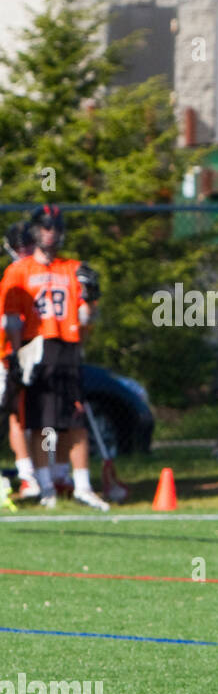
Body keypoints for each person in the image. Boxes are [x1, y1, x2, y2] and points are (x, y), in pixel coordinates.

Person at [0, 205, 108, 510]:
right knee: (38, 422)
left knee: (75, 420)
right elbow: (12, 319)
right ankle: (45, 485)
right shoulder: (19, 271)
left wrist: (91, 300)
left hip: (68, 347)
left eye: (56, 228)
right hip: (36, 349)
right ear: (35, 231)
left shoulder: (72, 268)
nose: (52, 234)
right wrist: (17, 356)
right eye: (46, 227)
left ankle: (82, 486)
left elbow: (86, 318)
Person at [2, 220, 41, 501]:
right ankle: (34, 476)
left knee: (25, 416)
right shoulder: (19, 273)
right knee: (20, 414)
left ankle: (34, 476)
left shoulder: (24, 272)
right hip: (21, 352)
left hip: (27, 351)